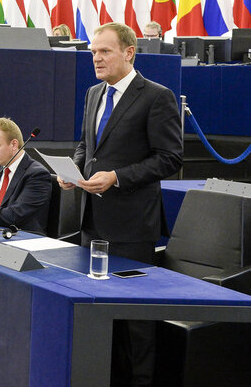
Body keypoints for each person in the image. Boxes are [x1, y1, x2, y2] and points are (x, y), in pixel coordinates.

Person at [58, 22, 182, 387]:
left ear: (129, 52)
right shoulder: (94, 94)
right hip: (91, 220)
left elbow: (170, 158)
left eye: (105, 51)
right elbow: (86, 145)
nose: (96, 58)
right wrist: (75, 168)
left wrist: (118, 177)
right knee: (97, 310)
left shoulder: (157, 96)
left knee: (135, 322)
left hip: (131, 227)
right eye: (93, 52)